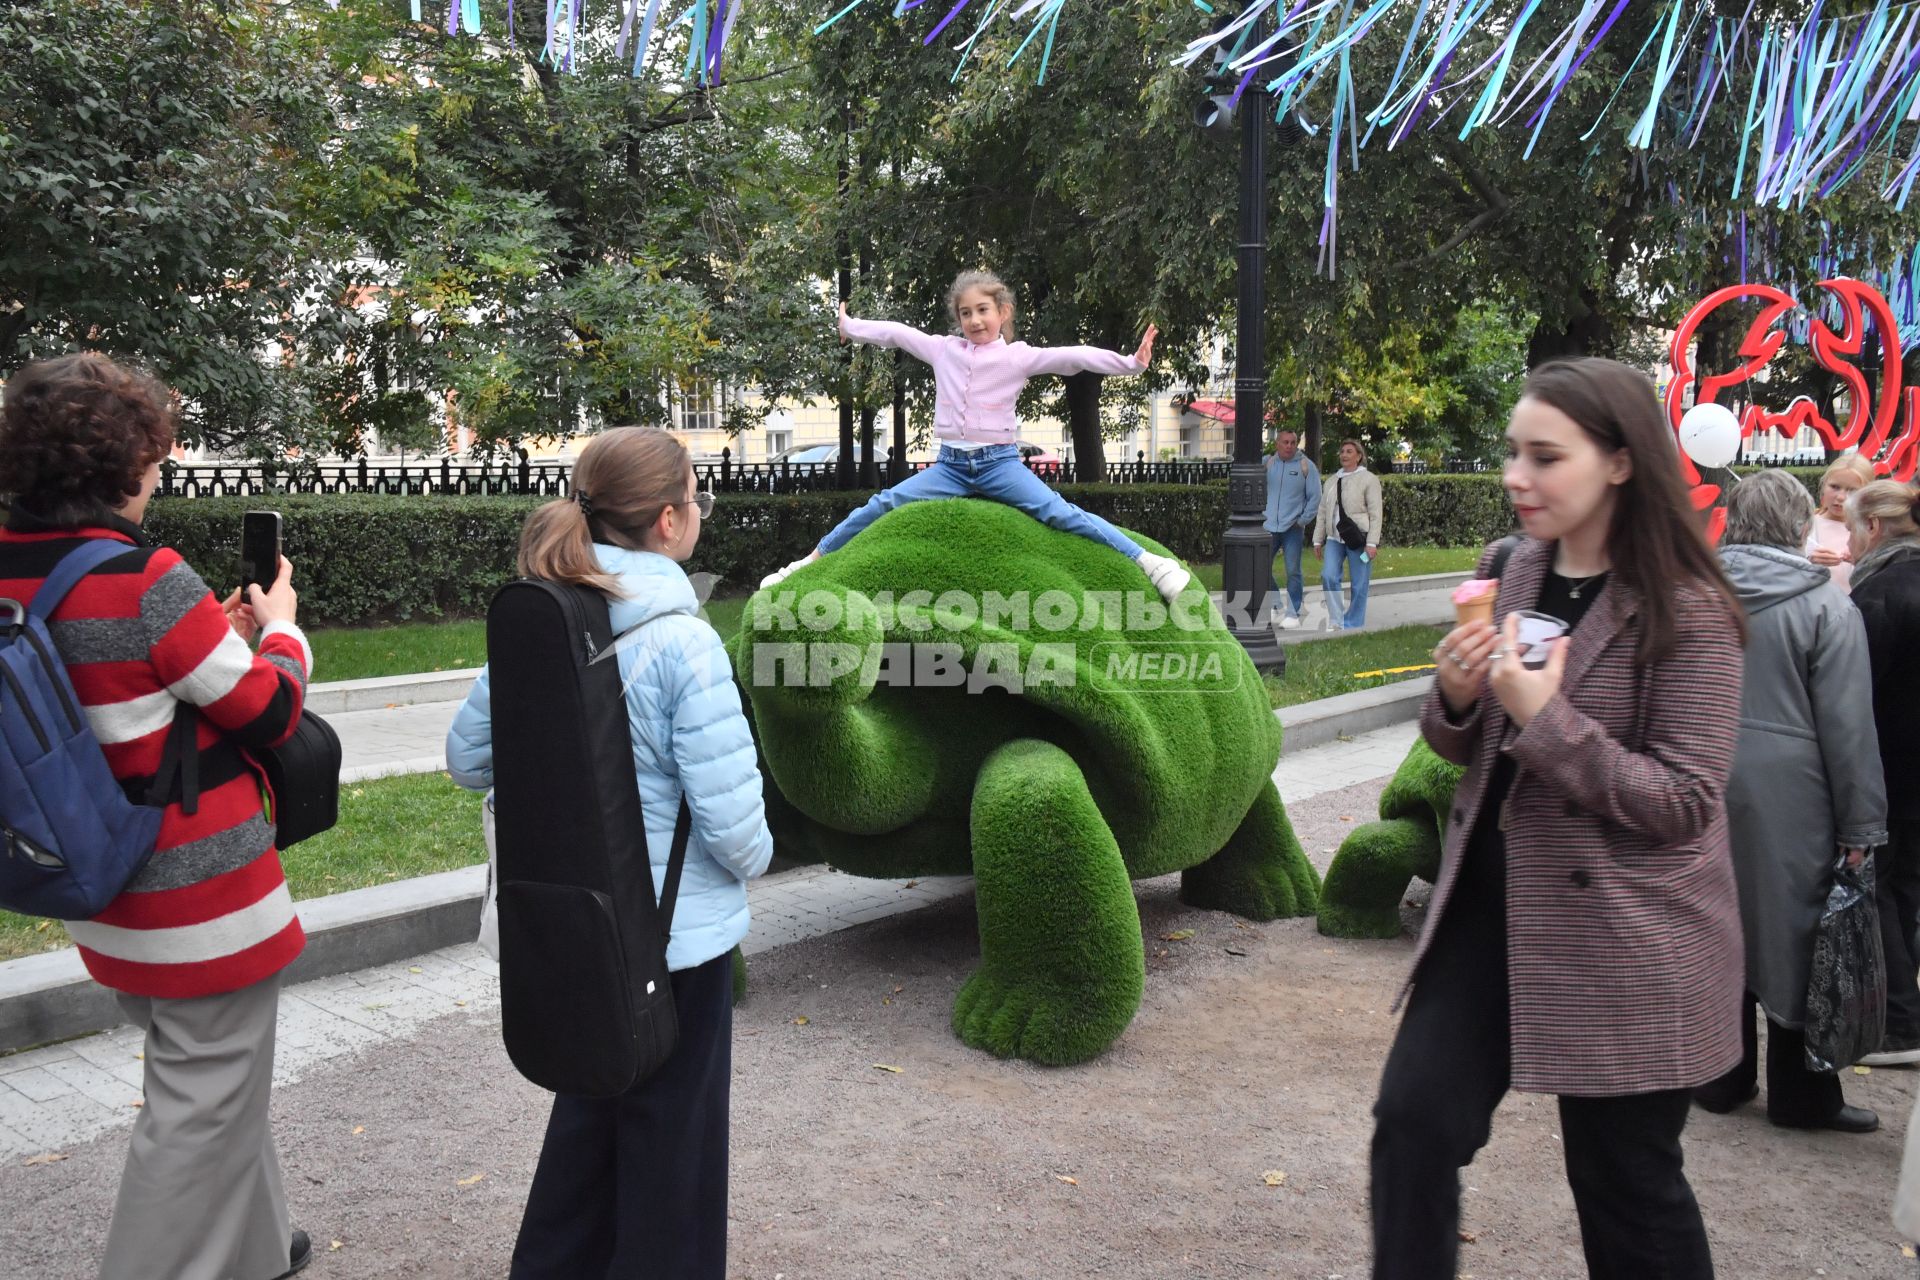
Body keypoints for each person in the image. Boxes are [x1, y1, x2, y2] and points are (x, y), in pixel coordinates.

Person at [1373, 358, 1747, 1280]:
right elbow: (1465, 743)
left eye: (1545, 456)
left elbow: (1684, 801)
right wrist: (1457, 699)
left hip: (1628, 934)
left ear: (1620, 462)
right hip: (1490, 915)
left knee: (1625, 1183)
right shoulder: (1510, 569)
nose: (1516, 477)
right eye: (1513, 453)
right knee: (1413, 1129)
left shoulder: (1690, 610)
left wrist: (1547, 720)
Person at [0, 354, 313, 1279]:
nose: (156, 476)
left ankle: (259, 1249)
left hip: (103, 887)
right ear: (116, 466)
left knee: (214, 1080)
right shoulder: (146, 577)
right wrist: (284, 628)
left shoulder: (12, 571)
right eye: (151, 458)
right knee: (200, 1097)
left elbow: (126, 683)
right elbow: (270, 712)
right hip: (200, 899)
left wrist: (213, 633)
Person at [445, 426, 773, 1279]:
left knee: (587, 1126)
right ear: (670, 521)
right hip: (678, 940)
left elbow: (467, 758)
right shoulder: (684, 642)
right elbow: (735, 829)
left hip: (576, 930)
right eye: (695, 497)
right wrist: (760, 858)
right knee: (675, 1145)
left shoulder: (543, 617)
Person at [759, 271, 1190, 601]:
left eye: (983, 310)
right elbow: (895, 333)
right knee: (881, 504)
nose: (974, 319)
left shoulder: (1019, 357)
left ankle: (1148, 562)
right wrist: (850, 327)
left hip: (999, 465)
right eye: (966, 313)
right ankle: (806, 563)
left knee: (1061, 514)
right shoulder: (943, 350)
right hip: (949, 467)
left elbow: (1074, 356)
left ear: (1002, 313)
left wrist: (1130, 363)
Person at [1694, 469, 1885, 1132]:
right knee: (1799, 933)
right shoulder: (1826, 605)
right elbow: (1848, 725)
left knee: (1715, 921)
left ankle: (1719, 1077)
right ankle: (1802, 1098)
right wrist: (1862, 823)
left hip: (1700, 771)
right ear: (1801, 524)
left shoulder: (1692, 590)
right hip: (1793, 790)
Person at [1845, 478, 1920, 1067]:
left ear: (1872, 528)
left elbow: (1855, 695)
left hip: (1892, 770)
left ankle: (1900, 1022)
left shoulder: (1882, 591)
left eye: (1851, 529)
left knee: (1884, 889)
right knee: (1907, 889)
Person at [1312, 439, 1382, 630]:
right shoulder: (1333, 481)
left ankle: (1353, 622)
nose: (1344, 455)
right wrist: (1317, 540)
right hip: (1334, 538)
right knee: (1328, 576)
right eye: (1342, 451)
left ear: (1359, 456)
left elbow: (1376, 514)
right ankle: (1336, 619)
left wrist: (1372, 543)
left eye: (1349, 451)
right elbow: (1323, 511)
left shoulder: (1369, 479)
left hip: (1359, 538)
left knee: (1360, 583)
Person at [1263, 428, 1319, 628]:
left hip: (1292, 528)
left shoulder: (1306, 466)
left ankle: (1293, 613)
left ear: (1296, 444)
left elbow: (1315, 497)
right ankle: (1275, 603)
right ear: (1277, 443)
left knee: (1293, 570)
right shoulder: (1266, 463)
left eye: (1292, 442)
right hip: (1268, 526)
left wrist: (1302, 520)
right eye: (1285, 442)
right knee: (1261, 568)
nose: (1289, 446)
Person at [1804, 453, 1876, 592]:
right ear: (1824, 485)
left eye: (1852, 490)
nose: (1841, 497)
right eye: (1835, 487)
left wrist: (1861, 560)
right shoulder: (1805, 525)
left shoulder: (1873, 530)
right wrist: (1807, 560)